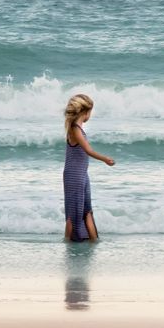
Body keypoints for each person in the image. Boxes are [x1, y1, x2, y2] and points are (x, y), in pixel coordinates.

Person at [63, 93, 115, 242]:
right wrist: (105, 159)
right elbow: (88, 150)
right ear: (85, 112)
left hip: (82, 175)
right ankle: (68, 242)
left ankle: (94, 241)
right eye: (90, 112)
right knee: (73, 213)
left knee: (87, 210)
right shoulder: (75, 129)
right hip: (74, 176)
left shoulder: (77, 129)